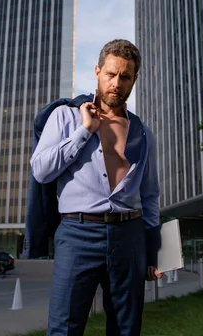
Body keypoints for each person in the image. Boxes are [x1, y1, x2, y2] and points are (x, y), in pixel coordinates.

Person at [30, 39, 162, 336]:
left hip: (129, 235)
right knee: (64, 328)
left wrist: (153, 251)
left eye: (125, 76)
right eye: (111, 74)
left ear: (134, 80)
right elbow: (41, 170)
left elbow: (149, 196)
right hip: (78, 233)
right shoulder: (65, 116)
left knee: (126, 329)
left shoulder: (142, 132)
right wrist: (84, 131)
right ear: (98, 71)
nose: (117, 83)